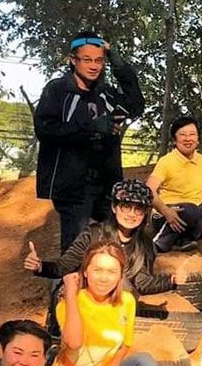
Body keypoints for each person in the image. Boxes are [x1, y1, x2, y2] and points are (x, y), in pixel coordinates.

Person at [34, 31, 145, 251]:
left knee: (121, 238)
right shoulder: (57, 90)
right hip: (72, 184)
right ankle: (63, 284)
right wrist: (92, 127)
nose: (94, 66)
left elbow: (135, 104)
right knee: (76, 246)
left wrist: (117, 61)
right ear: (73, 60)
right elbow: (45, 129)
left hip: (107, 183)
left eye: (99, 60)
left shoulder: (105, 93)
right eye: (87, 60)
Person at [24, 179, 184, 298]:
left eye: (139, 209)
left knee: (126, 288)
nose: (132, 214)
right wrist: (40, 267)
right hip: (85, 296)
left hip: (117, 303)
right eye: (126, 206)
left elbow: (142, 282)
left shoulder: (145, 244)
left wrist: (171, 280)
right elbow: (63, 266)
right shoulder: (93, 234)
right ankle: (57, 332)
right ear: (114, 207)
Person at [146, 115, 202, 253]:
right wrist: (166, 211)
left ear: (198, 139)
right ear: (175, 140)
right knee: (189, 210)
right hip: (167, 214)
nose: (188, 139)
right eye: (182, 135)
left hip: (194, 214)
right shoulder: (166, 161)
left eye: (192, 134)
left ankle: (186, 238)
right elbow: (149, 189)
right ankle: (159, 243)